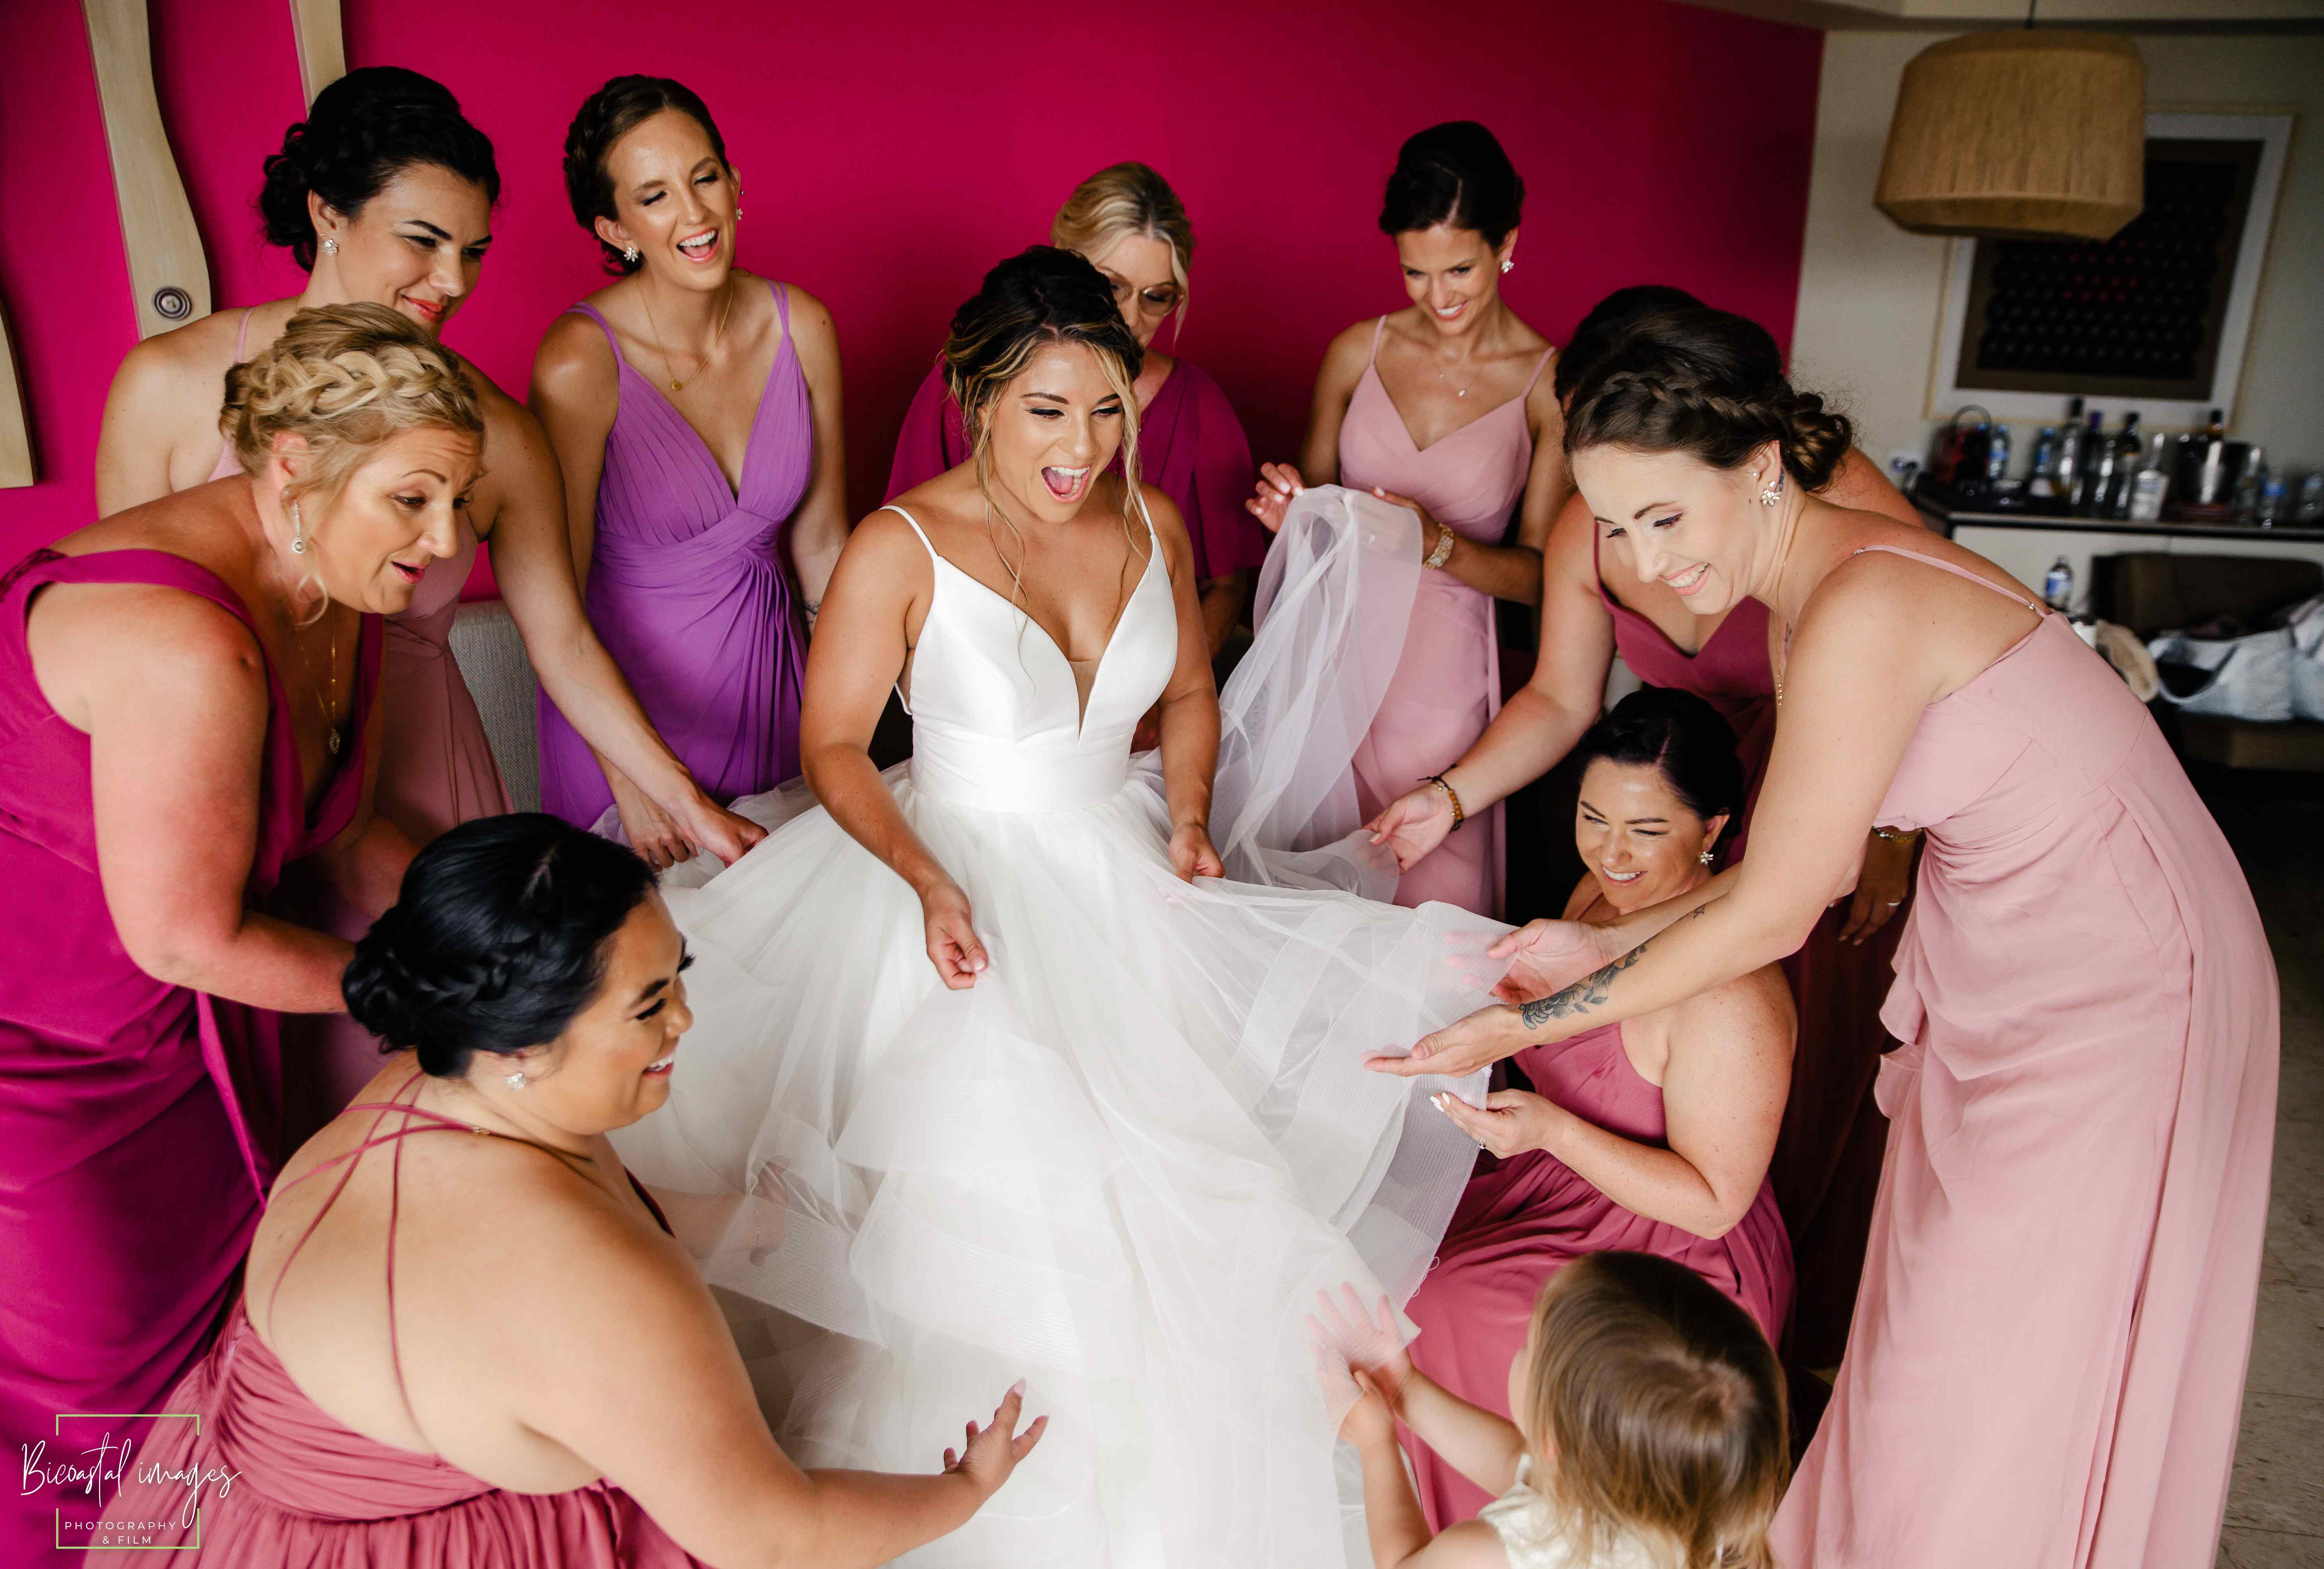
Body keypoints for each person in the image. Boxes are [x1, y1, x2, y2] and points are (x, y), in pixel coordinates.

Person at [606, 247, 1510, 1567]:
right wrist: (924, 877)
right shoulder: (901, 542)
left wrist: (1192, 812)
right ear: (976, 396)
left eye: (1107, 409)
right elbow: (838, 747)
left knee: (1179, 1185)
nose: (1082, 445)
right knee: (998, 1214)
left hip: (1120, 871)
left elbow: (1190, 691)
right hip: (954, 879)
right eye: (1047, 410)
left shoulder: (1146, 521)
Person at [1381, 308, 2280, 1567]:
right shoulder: (1805, 586)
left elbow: (1774, 904)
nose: (1640, 560)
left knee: (1993, 1337)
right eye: (1615, 525)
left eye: (1664, 517)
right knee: (1919, 1316)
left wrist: (1532, 1017)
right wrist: (1575, 953)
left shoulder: (1859, 598)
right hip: (2003, 944)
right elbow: (1762, 876)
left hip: (2109, 967)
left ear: (1757, 469)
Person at [92, 814, 1043, 1566]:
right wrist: (964, 1491)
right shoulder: (595, 1287)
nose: (686, 1018)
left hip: (223, 1493)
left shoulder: (425, 1082)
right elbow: (772, 1536)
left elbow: (598, 1199)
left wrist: (784, 1227)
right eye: (648, 1005)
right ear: (522, 1043)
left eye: (679, 974)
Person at [92, 67, 759, 1130]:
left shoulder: (494, 429)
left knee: (451, 1110)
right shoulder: (171, 385)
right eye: (423, 239)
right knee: (258, 1109)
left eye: (476, 249)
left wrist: (683, 802)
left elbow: (562, 643)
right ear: (327, 214)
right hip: (230, 783)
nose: (452, 279)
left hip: (420, 788)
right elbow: (121, 618)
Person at [1369, 288, 1926, 1383]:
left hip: (1835, 795)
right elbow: (1562, 700)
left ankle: (1786, 1355)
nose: (1604, 493)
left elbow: (1923, 648)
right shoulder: (1593, 523)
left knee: (1803, 1094)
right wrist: (1451, 795)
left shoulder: (1819, 494)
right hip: (1676, 796)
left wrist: (1896, 833)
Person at [1, 304, 478, 1564]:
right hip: (53, 1097)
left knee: (221, 1391)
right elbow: (184, 937)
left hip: (209, 1057)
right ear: (289, 470)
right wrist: (438, 1003)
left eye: (459, 502)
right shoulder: (183, 644)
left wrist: (489, 916)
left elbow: (336, 833)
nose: (445, 546)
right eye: (416, 500)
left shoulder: (330, 583)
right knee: (88, 1426)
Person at [1399, 689, 1792, 1528]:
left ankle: (1529, 1540)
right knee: (1408, 1264)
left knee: (1453, 1303)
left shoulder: (1732, 995)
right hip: (1560, 1181)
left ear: (1715, 831)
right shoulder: (1597, 894)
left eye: (1647, 832)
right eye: (1592, 817)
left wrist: (1549, 1127)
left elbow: (1715, 1202)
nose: (1612, 853)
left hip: (1675, 1241)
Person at [1248, 121, 1571, 917]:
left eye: (1460, 268)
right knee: (1315, 900)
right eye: (1415, 273)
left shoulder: (1546, 381)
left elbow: (1539, 577)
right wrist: (1295, 515)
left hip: (1445, 690)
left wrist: (1439, 545)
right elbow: (1320, 520)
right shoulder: (1357, 352)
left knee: (1431, 902)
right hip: (1335, 660)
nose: (1440, 296)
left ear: (1508, 243)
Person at [534, 74, 849, 837]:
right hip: (628, 733)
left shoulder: (801, 325)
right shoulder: (580, 362)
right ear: (614, 229)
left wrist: (851, 726)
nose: (695, 212)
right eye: (655, 196)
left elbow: (824, 545)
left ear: (734, 182)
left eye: (704, 177)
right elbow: (557, 607)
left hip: (781, 706)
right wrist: (633, 776)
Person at [887, 161, 1266, 667]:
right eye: (1111, 286)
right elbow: (906, 557)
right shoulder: (961, 389)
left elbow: (1225, 582)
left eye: (1158, 297)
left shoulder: (1198, 407)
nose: (1130, 319)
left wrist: (1167, 695)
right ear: (1065, 264)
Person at [1319, 1252, 1787, 1569]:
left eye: (1530, 1346)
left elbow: (1404, 1563)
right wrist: (1405, 1391)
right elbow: (1514, 1462)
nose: (1522, 1352)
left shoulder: (1496, 1551)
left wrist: (1377, 1442)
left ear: (1553, 1441)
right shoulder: (1697, 1511)